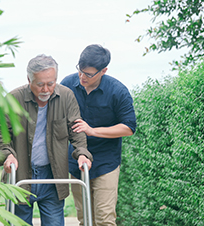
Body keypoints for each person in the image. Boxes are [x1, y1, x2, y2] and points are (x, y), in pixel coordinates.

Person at [0, 54, 93, 226]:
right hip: (21, 173)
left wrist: (82, 154)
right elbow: (0, 131)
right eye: (40, 84)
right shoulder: (13, 98)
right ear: (29, 80)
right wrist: (8, 155)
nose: (46, 89)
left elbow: (76, 130)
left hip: (53, 176)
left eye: (51, 83)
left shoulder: (66, 97)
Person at [61, 44, 137, 226]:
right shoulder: (66, 85)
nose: (82, 77)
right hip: (76, 160)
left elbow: (128, 128)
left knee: (104, 218)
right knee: (85, 217)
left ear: (103, 71)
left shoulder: (118, 91)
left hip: (105, 162)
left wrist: (92, 130)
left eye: (88, 74)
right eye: (80, 71)